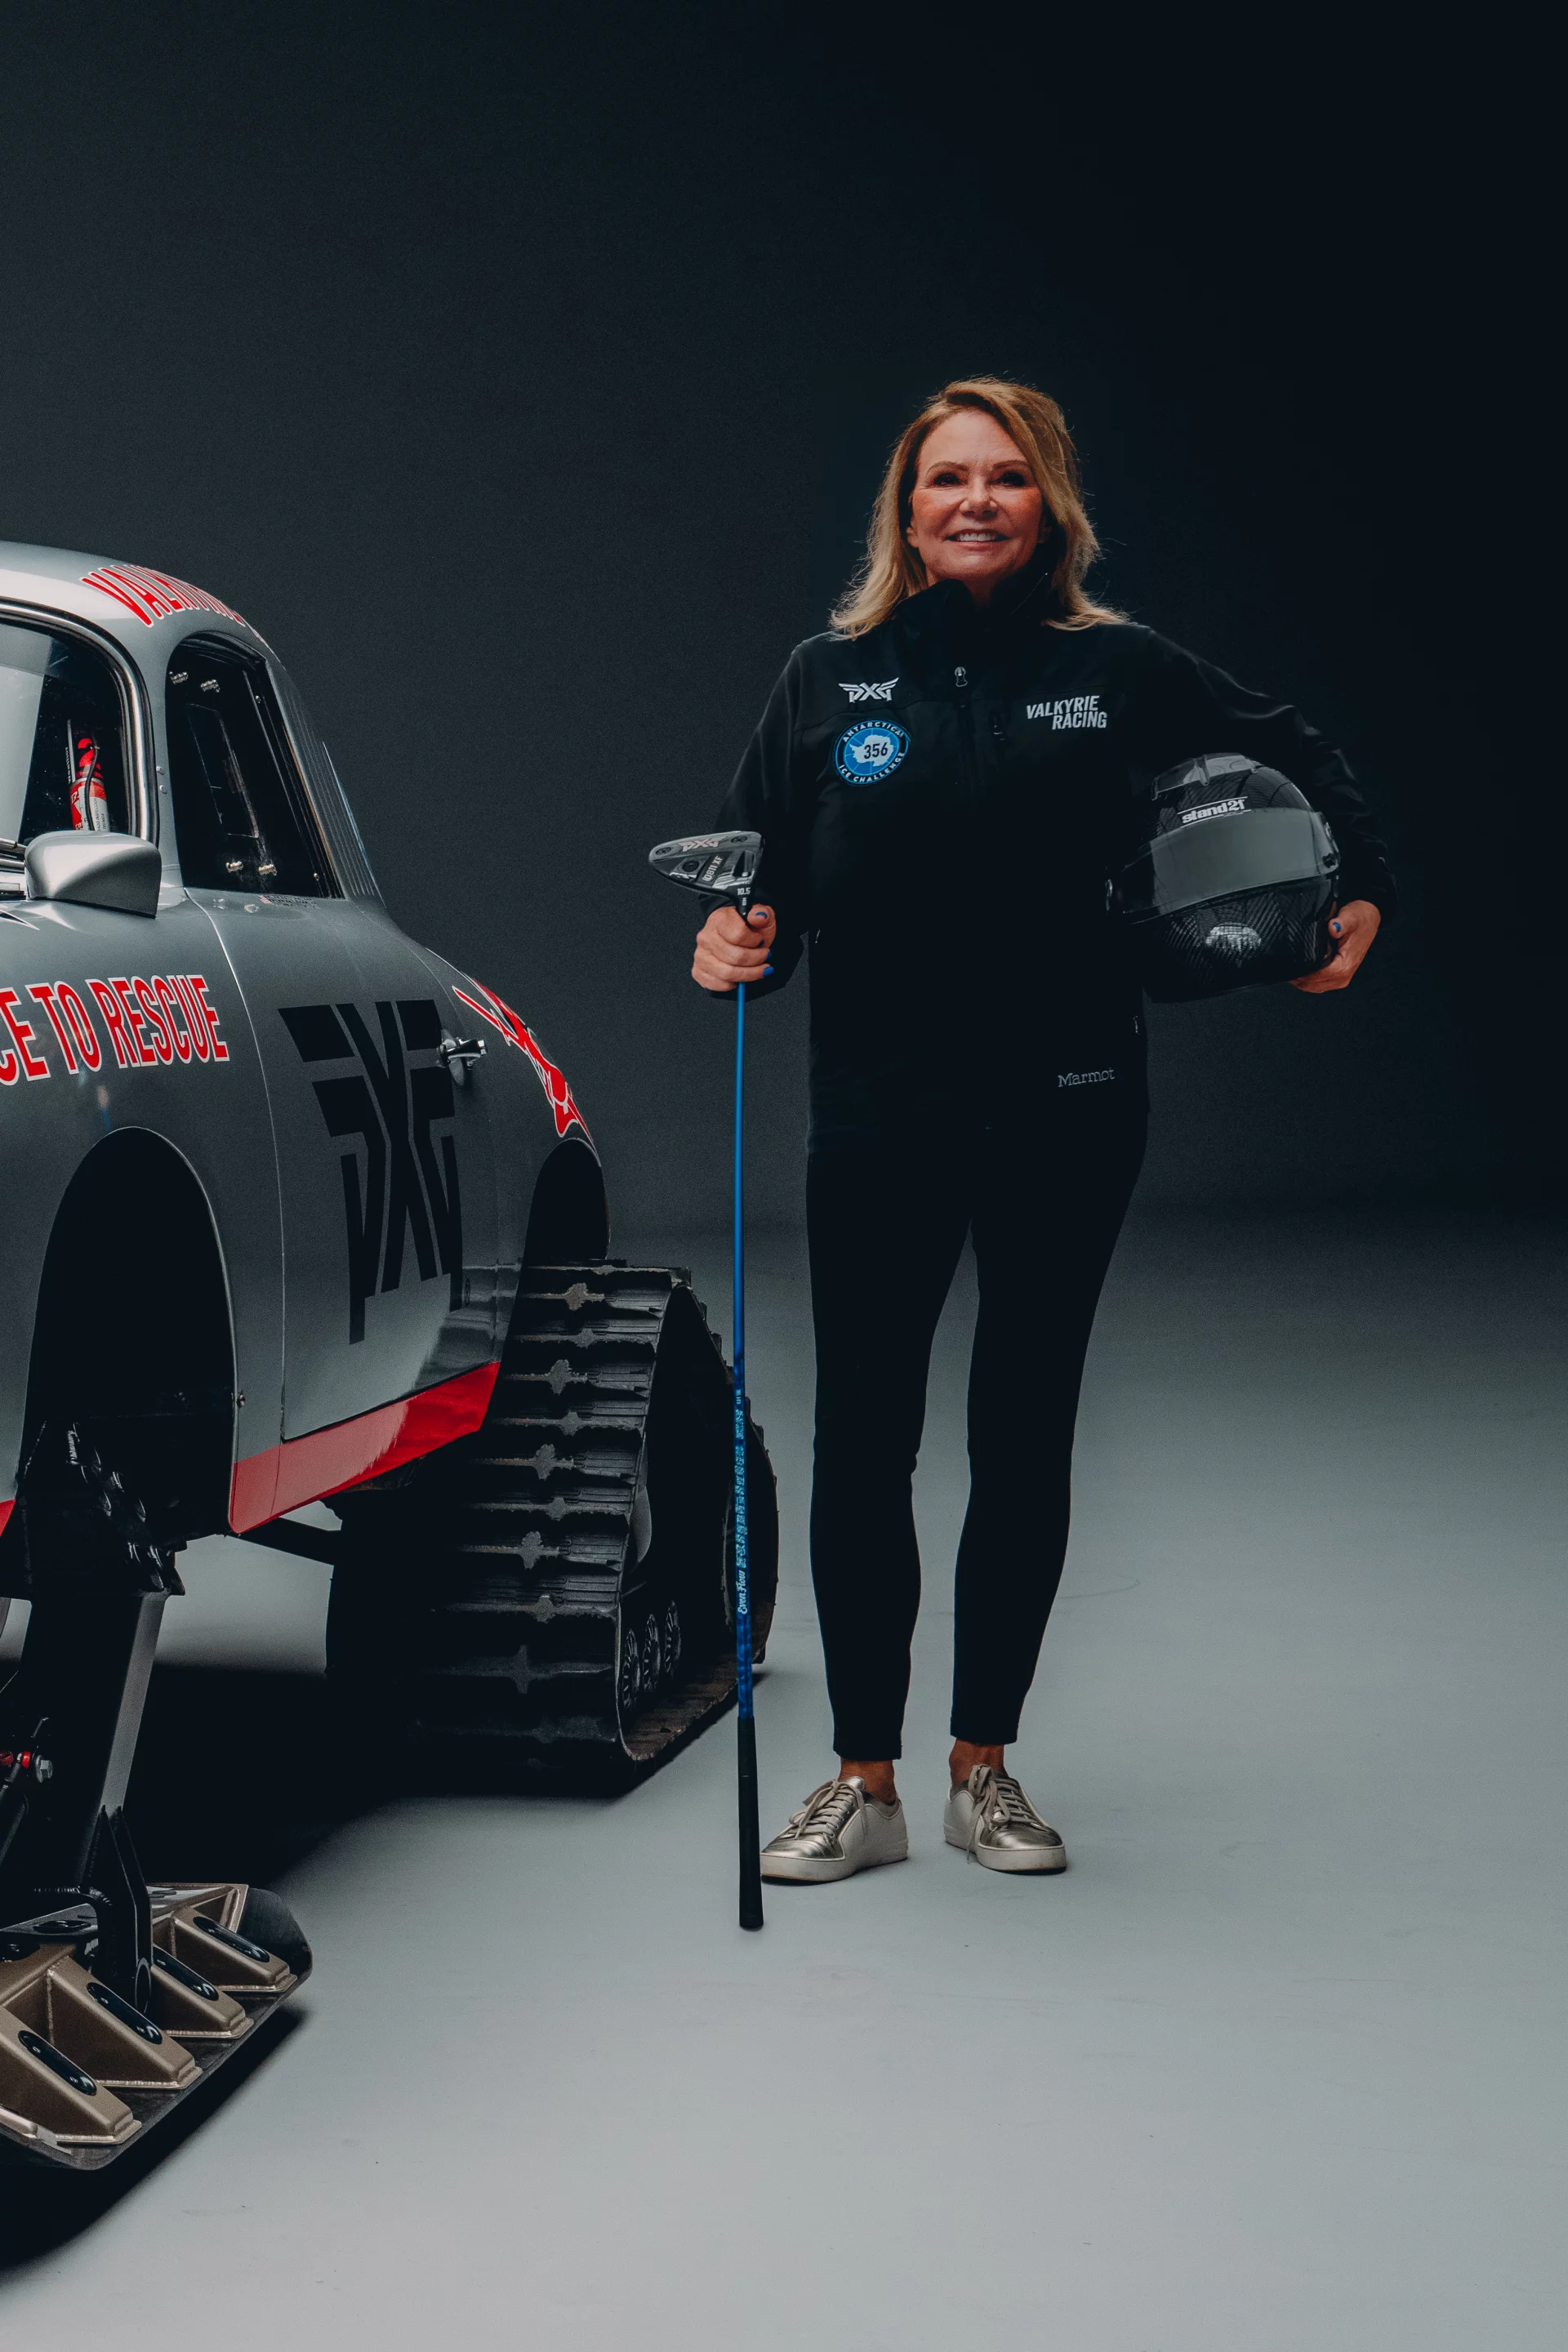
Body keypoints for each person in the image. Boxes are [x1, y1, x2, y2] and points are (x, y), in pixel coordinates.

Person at [688, 376, 1393, 1883]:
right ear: (907, 509)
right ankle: (862, 1782)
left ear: (1048, 505)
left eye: (1006, 477)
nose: (976, 501)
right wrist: (735, 939)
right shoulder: (827, 680)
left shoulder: (1118, 669)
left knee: (1020, 1434)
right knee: (863, 1443)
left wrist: (1355, 896)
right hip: (878, 1115)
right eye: (948, 478)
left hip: (1068, 1106)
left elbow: (1299, 755)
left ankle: (983, 1769)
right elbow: (764, 882)